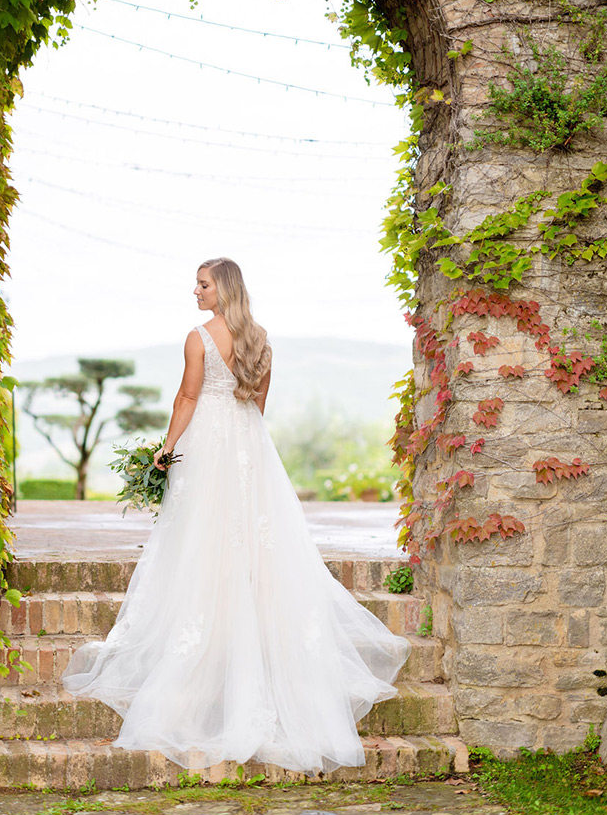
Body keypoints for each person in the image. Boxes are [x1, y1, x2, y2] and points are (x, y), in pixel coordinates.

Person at [61, 257, 410, 774]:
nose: (194, 291)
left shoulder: (198, 338)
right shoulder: (261, 338)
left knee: (201, 543)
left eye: (202, 284)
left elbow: (187, 396)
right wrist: (245, 446)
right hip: (250, 445)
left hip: (206, 445)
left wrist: (168, 447)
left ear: (222, 290)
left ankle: (207, 650)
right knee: (253, 544)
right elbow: (259, 401)